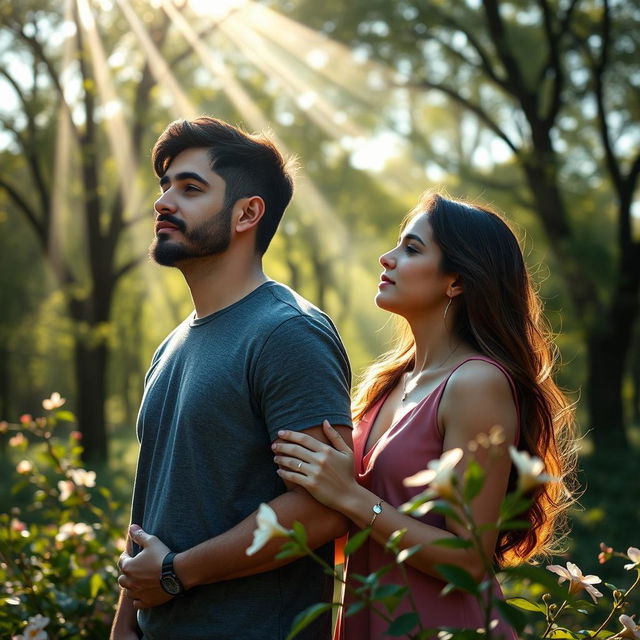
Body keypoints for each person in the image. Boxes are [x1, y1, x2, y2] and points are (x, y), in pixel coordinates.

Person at [273, 193, 576, 639]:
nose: (387, 258)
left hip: (444, 625)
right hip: (374, 613)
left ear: (456, 281)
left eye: (412, 249)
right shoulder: (390, 381)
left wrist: (351, 498)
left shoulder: (476, 383)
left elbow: (470, 559)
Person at [111, 117, 353, 640]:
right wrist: (126, 624)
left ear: (247, 213)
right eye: (165, 185)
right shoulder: (171, 345)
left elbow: (322, 512)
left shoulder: (288, 334)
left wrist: (177, 573)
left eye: (190, 188)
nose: (163, 202)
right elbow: (151, 507)